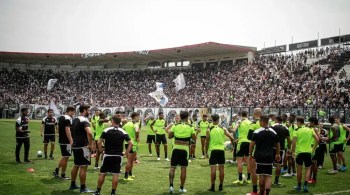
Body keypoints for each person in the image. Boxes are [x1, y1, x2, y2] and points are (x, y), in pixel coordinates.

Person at [93, 115, 133, 195]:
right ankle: (113, 193)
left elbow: (99, 142)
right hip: (118, 156)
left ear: (113, 121)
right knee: (115, 174)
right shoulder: (123, 131)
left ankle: (97, 191)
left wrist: (101, 150)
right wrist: (126, 152)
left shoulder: (106, 130)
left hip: (107, 155)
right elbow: (131, 144)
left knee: (102, 173)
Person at [249, 115, 280, 195]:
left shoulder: (257, 131)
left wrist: (250, 154)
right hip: (269, 156)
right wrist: (278, 154)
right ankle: (267, 193)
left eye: (259, 121)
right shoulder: (274, 132)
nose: (259, 122)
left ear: (262, 122)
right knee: (268, 176)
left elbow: (251, 145)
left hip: (259, 157)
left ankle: (262, 192)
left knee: (261, 175)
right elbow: (278, 144)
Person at [168, 111, 196, 194]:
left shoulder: (175, 126)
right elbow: (194, 139)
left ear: (180, 117)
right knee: (183, 169)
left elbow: (170, 136)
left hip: (175, 149)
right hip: (185, 150)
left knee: (172, 168)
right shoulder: (190, 126)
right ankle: (181, 188)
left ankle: (171, 186)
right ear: (187, 117)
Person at [69, 105, 94, 193]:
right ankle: (83, 188)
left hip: (75, 145)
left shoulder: (75, 119)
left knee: (76, 165)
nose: (89, 112)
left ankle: (73, 184)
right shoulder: (84, 119)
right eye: (88, 110)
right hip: (84, 146)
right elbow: (90, 133)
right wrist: (90, 144)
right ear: (84, 110)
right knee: (83, 167)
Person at [206, 114, 234, 192]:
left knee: (213, 169)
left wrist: (205, 152)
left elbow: (207, 142)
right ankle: (221, 186)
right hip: (221, 151)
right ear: (219, 119)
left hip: (213, 151)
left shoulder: (209, 129)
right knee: (221, 169)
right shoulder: (223, 128)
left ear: (212, 119)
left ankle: (212, 187)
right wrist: (233, 146)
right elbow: (231, 137)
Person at [292, 116, 318, 192]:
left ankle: (299, 186)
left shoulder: (296, 131)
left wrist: (293, 152)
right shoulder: (310, 130)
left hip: (299, 152)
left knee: (299, 170)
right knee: (308, 169)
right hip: (308, 153)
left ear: (299, 122)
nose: (296, 123)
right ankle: (305, 186)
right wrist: (313, 149)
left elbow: (293, 143)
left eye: (297, 122)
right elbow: (317, 139)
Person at [52, 106, 75, 180]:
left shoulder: (61, 117)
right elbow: (67, 130)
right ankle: (63, 175)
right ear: (70, 111)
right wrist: (71, 140)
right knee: (66, 157)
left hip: (62, 140)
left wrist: (59, 134)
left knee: (64, 156)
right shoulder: (68, 118)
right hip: (66, 141)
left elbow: (58, 127)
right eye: (73, 112)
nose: (74, 113)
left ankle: (56, 170)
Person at [232, 110, 252, 185]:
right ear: (247, 115)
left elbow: (234, 130)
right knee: (248, 160)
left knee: (239, 161)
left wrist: (235, 139)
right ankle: (249, 179)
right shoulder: (250, 122)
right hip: (249, 143)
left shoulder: (239, 121)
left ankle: (240, 179)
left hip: (241, 142)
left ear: (241, 115)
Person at [271, 116, 291, 185]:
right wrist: (289, 148)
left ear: (277, 120)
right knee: (279, 164)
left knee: (269, 163)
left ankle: (267, 179)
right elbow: (289, 140)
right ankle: (276, 180)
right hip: (281, 148)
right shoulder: (285, 128)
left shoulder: (272, 126)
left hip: (271, 147)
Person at [247, 108, 262, 195]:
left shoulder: (253, 124)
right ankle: (262, 191)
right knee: (263, 172)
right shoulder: (267, 123)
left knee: (254, 171)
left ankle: (255, 191)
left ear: (255, 114)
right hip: (267, 150)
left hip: (256, 150)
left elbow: (249, 137)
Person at [123, 112, 140, 181]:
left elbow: (122, 130)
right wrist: (137, 137)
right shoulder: (136, 124)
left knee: (131, 160)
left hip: (127, 143)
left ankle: (130, 174)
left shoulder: (127, 124)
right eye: (138, 117)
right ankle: (126, 176)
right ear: (135, 117)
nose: (139, 118)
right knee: (130, 161)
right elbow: (136, 130)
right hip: (132, 144)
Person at [308, 117, 320, 184]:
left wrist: (313, 149)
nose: (309, 123)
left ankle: (314, 178)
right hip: (313, 146)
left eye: (310, 122)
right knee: (312, 163)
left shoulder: (315, 128)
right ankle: (311, 177)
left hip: (314, 147)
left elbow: (318, 139)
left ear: (313, 122)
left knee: (314, 163)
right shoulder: (315, 128)